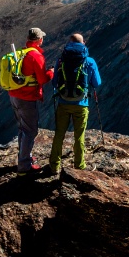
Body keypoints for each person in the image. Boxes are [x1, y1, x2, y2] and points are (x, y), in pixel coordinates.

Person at [49, 33, 102, 173]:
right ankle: (79, 165)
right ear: (83, 43)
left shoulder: (60, 60)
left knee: (59, 134)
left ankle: (54, 165)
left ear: (69, 43)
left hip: (63, 103)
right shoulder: (89, 61)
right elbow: (97, 83)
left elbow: (54, 82)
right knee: (79, 136)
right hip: (81, 104)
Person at [8, 27, 53, 175]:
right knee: (30, 130)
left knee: (23, 128)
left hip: (14, 95)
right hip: (26, 98)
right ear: (40, 40)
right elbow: (42, 79)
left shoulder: (22, 52)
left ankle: (24, 157)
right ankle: (24, 166)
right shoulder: (35, 56)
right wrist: (51, 73)